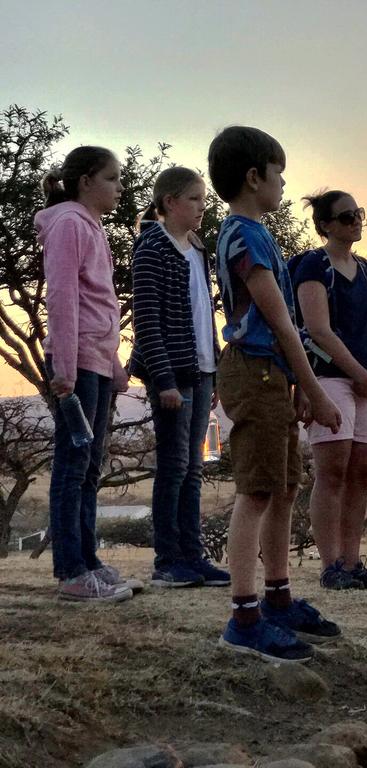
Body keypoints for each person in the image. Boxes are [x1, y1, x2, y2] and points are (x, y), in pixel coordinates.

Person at [208, 126, 343, 663]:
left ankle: (278, 599)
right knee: (257, 491)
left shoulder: (255, 234)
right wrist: (315, 389)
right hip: (255, 371)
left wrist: (295, 385)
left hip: (272, 375)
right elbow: (281, 321)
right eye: (278, 173)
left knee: (284, 486)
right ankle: (244, 618)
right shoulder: (244, 236)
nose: (284, 183)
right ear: (253, 176)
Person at [36, 146, 134, 603]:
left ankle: (89, 562)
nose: (120, 187)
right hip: (74, 363)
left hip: (94, 361)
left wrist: (113, 364)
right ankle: (71, 572)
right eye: (112, 178)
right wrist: (65, 368)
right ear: (86, 181)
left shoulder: (91, 226)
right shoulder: (69, 224)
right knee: (72, 467)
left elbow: (99, 304)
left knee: (90, 467)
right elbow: (62, 297)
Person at [129, 166, 230, 589]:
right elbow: (147, 321)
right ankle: (167, 561)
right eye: (194, 199)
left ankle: (193, 557)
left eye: (203, 199)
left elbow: (205, 311)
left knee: (193, 468)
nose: (202, 207)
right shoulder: (151, 248)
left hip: (202, 370)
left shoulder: (198, 247)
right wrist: (164, 379)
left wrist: (216, 369)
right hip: (172, 373)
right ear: (170, 202)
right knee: (173, 466)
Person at [291, 190, 367, 592]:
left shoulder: (365, 270)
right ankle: (331, 565)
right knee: (332, 471)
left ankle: (353, 563)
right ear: (325, 225)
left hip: (366, 383)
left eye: (359, 213)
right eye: (347, 215)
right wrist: (358, 374)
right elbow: (318, 330)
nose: (356, 221)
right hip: (329, 379)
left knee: (361, 473)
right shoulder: (313, 266)